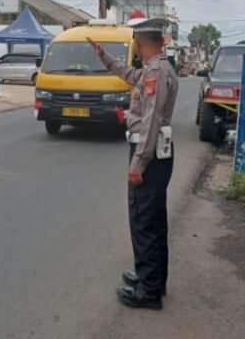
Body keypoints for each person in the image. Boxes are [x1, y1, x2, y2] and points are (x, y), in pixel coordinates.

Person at [87, 17, 179, 310]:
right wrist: (104, 56)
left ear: (138, 44)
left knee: (144, 221)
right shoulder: (157, 69)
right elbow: (129, 74)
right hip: (156, 154)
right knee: (153, 220)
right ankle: (151, 278)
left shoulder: (155, 73)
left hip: (149, 155)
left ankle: (148, 291)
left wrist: (138, 163)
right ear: (161, 43)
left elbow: (150, 121)